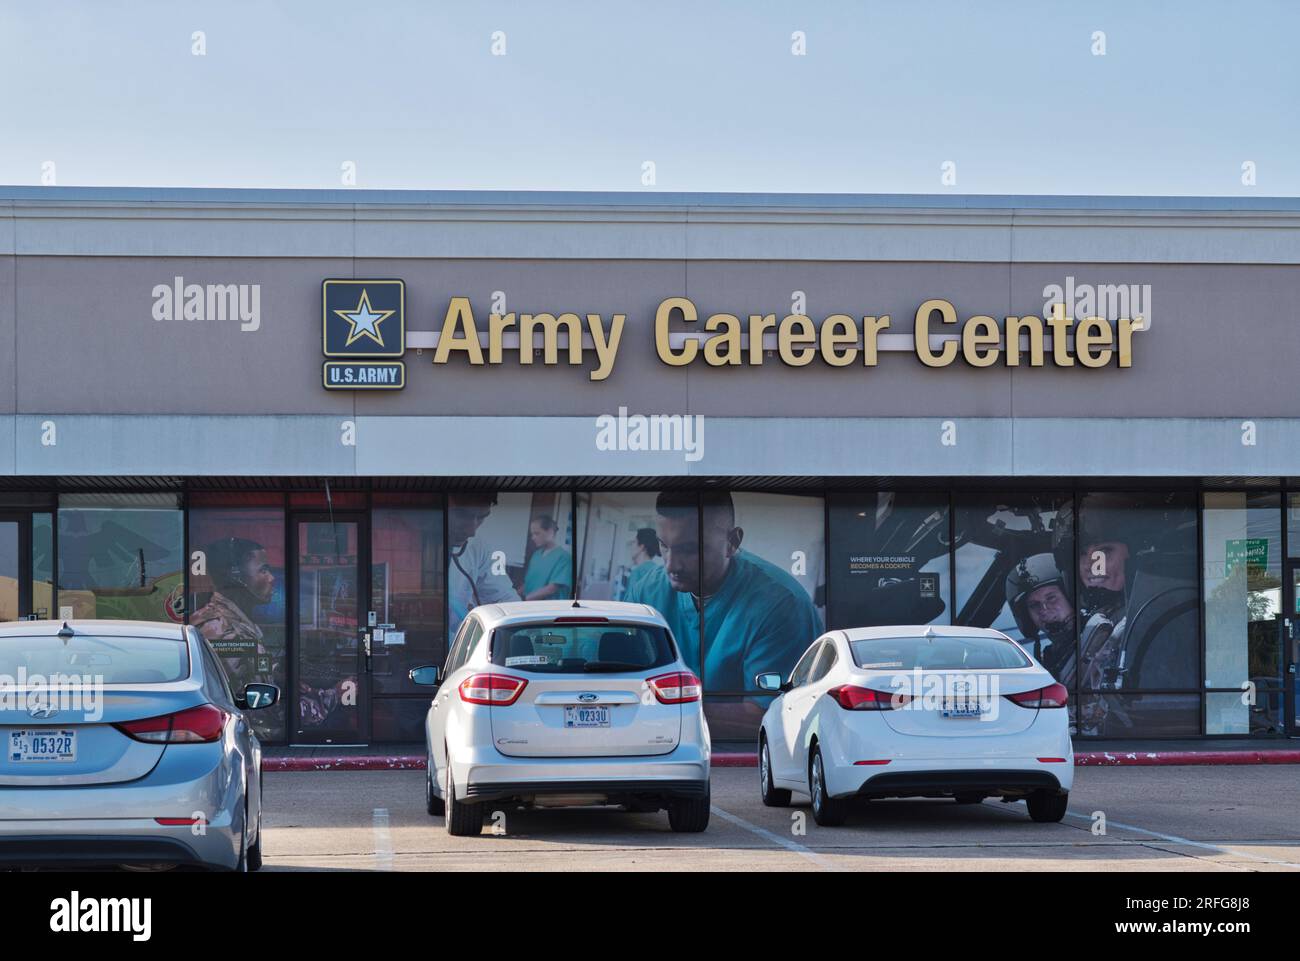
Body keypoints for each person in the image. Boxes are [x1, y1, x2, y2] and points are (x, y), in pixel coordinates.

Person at [623, 491, 823, 692]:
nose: (671, 566)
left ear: (732, 543)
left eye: (690, 549)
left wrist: (660, 702)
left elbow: (768, 712)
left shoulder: (782, 605)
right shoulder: (644, 594)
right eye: (664, 546)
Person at [447, 493, 520, 640]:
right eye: (462, 516)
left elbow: (504, 597)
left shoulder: (478, 547)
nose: (471, 531)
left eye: (481, 518)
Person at [1005, 553, 1076, 685]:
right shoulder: (1046, 663)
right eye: (1034, 605)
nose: (1044, 609)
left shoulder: (1100, 636)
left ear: (1070, 596)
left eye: (1051, 598)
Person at [521, 514, 572, 600]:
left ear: (550, 532)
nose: (533, 538)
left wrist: (526, 599)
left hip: (548, 609)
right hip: (529, 606)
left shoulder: (564, 557)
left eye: (537, 534)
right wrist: (514, 595)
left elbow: (552, 588)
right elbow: (528, 583)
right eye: (532, 534)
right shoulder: (536, 555)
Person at [622, 527, 661, 600]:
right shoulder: (658, 571)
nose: (631, 546)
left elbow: (629, 604)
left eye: (634, 542)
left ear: (641, 547)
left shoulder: (637, 572)